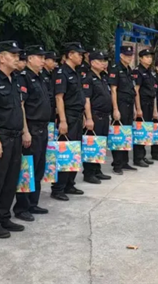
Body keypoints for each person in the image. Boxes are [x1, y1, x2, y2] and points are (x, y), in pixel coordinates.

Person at [0, 41, 26, 238]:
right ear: (1, 58)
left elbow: (20, 108)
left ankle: (4, 216)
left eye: (18, 55)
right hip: (1, 137)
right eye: (13, 55)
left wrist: (25, 131)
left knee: (11, 180)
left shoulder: (15, 80)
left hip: (16, 137)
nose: (17, 58)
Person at [51, 42, 94, 201]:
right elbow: (59, 98)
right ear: (70, 55)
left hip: (77, 115)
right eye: (79, 54)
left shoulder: (76, 72)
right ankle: (58, 188)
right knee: (65, 151)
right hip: (67, 116)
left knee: (74, 150)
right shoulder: (62, 73)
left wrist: (84, 116)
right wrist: (62, 121)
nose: (81, 57)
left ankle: (70, 183)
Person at [13, 45, 51, 220]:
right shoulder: (23, 78)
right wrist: (25, 131)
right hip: (32, 129)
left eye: (44, 57)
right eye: (39, 57)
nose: (43, 60)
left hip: (43, 128)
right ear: (29, 59)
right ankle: (22, 207)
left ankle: (33, 203)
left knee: (38, 168)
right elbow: (21, 106)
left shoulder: (40, 77)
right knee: (28, 168)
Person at [83, 51, 113, 184]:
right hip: (95, 115)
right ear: (92, 62)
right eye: (100, 61)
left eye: (104, 61)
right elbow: (86, 99)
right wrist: (89, 118)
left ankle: (97, 169)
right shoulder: (88, 78)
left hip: (105, 115)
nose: (103, 63)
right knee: (92, 144)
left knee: (100, 143)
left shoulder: (103, 77)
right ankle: (88, 172)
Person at [108, 45, 138, 175]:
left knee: (126, 134)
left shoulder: (128, 70)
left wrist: (135, 108)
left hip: (129, 105)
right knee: (118, 135)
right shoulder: (115, 69)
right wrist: (115, 109)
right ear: (121, 55)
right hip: (120, 105)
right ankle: (117, 164)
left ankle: (124, 162)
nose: (129, 57)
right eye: (127, 55)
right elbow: (113, 90)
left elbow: (132, 90)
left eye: (131, 55)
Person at [132, 49, 157, 167]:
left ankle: (142, 156)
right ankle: (138, 158)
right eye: (146, 57)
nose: (149, 59)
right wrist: (138, 108)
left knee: (145, 131)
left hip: (150, 104)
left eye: (150, 57)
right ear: (141, 58)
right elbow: (136, 90)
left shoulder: (149, 72)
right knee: (140, 132)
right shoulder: (138, 72)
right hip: (142, 104)